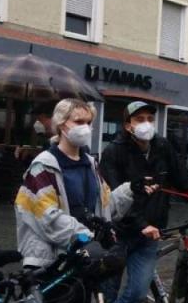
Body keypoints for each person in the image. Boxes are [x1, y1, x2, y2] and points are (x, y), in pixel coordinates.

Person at [99, 101, 188, 303]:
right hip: (117, 235)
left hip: (151, 234)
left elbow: (184, 182)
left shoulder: (162, 146)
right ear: (128, 125)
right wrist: (140, 224)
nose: (146, 124)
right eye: (139, 119)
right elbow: (111, 199)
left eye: (149, 119)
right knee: (109, 293)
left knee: (137, 293)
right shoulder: (113, 152)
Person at [14, 99, 133, 270]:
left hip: (82, 257)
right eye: (78, 122)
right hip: (50, 263)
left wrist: (131, 190)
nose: (85, 127)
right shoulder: (43, 166)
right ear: (61, 124)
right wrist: (87, 237)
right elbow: (48, 217)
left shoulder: (91, 164)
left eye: (88, 122)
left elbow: (105, 206)